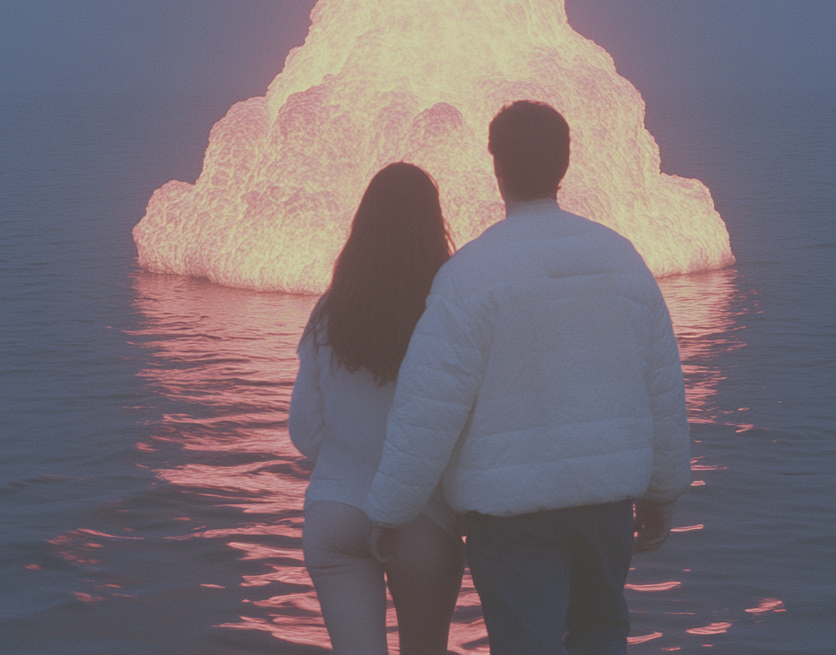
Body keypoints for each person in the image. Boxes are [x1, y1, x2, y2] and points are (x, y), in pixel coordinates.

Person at [364, 101, 691, 655]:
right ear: (565, 162)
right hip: (606, 501)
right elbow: (663, 386)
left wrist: (389, 513)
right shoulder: (623, 260)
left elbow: (428, 411)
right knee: (601, 635)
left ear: (497, 167)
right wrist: (663, 492)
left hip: (509, 515)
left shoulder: (468, 275)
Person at [288, 162, 465, 655]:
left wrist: (350, 456)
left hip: (335, 512)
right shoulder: (447, 310)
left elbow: (304, 431)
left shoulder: (331, 311)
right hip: (422, 520)